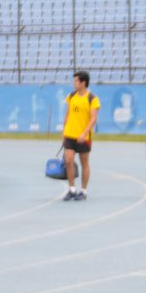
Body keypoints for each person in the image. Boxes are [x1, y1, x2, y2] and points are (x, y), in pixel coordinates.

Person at [60, 71, 99, 201]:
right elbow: (67, 115)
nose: (74, 83)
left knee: (84, 163)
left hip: (83, 137)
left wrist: (85, 133)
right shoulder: (71, 96)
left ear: (83, 83)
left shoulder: (92, 99)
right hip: (70, 134)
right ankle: (72, 189)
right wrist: (63, 131)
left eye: (76, 81)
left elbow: (93, 119)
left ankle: (83, 190)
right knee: (68, 161)